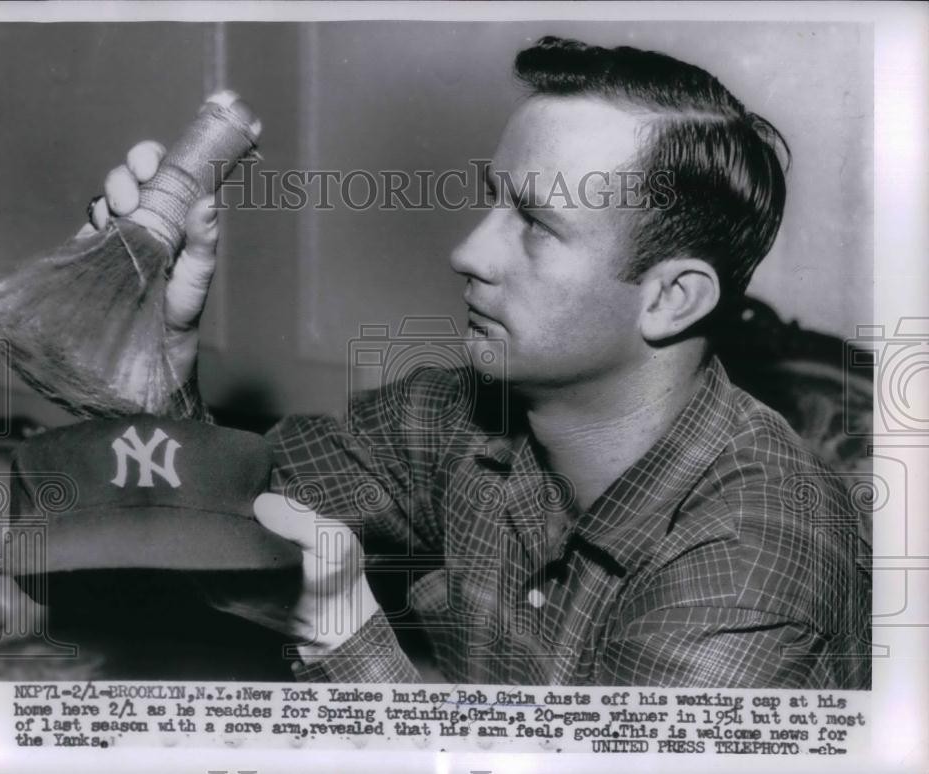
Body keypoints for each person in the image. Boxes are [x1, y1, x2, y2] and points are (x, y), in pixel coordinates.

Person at [84, 37, 870, 687]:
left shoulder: (750, 563)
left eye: (536, 224)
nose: (467, 252)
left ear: (671, 299)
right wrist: (162, 343)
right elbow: (214, 518)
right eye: (496, 199)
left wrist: (345, 641)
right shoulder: (456, 416)